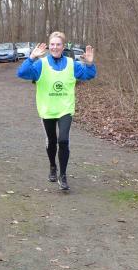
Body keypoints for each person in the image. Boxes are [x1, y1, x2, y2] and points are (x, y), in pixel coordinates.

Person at [16, 31, 97, 190]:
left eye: (58, 44)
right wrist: (31, 58)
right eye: (52, 44)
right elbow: (22, 73)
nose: (55, 47)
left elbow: (89, 75)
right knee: (52, 141)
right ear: (49, 46)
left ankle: (63, 175)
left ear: (63, 46)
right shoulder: (41, 64)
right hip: (47, 109)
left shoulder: (72, 64)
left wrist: (89, 63)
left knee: (63, 140)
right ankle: (53, 166)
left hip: (65, 109)